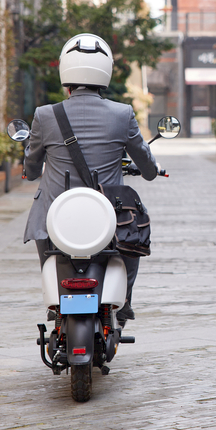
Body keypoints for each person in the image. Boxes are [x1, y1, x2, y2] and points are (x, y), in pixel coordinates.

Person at [22, 33, 159, 325]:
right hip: (105, 215)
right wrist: (150, 169)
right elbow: (145, 164)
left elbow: (32, 165)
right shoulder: (122, 114)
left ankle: (56, 304)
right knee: (130, 247)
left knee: (47, 248)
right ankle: (122, 307)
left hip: (53, 218)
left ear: (65, 74)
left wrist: (31, 170)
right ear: (106, 72)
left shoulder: (45, 115)